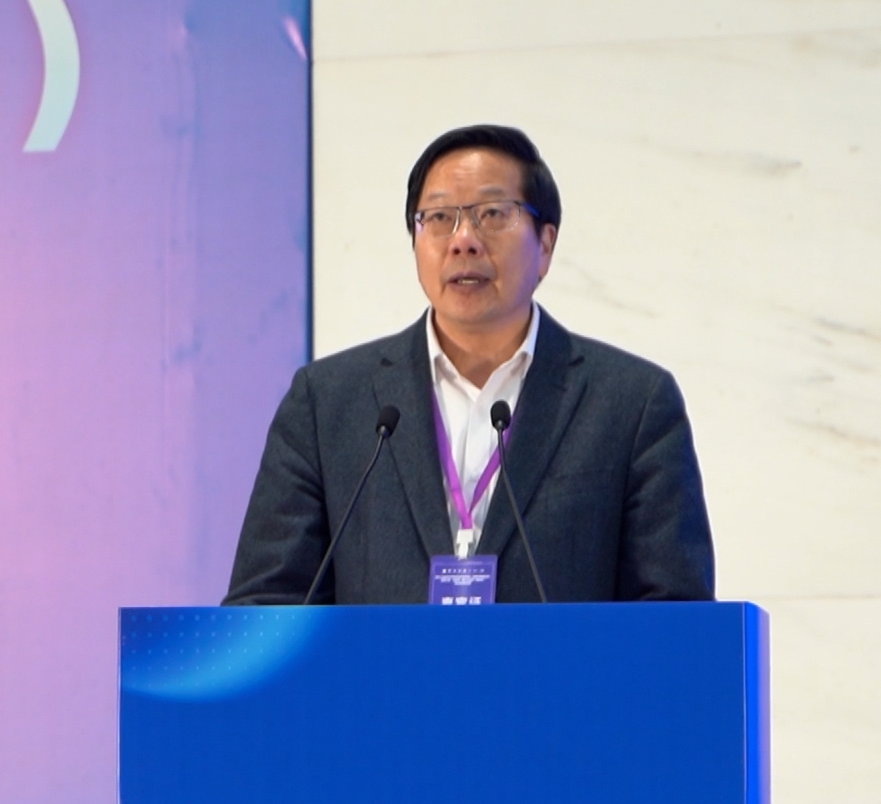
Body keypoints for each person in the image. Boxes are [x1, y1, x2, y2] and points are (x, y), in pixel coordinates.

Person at [224, 124, 714, 605]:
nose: (463, 240)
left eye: (493, 214)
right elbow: (265, 607)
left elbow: (674, 619)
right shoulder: (328, 402)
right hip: (388, 666)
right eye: (439, 217)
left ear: (545, 245)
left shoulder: (631, 404)